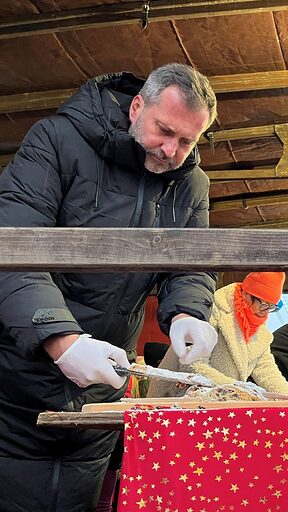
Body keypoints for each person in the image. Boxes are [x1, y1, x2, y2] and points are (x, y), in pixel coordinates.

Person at [0, 63, 219, 511]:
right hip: (16, 383)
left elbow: (190, 265)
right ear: (137, 105)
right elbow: (11, 247)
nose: (170, 150)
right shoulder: (57, 141)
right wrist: (62, 341)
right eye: (164, 131)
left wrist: (187, 313)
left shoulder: (192, 184)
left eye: (187, 141)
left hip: (102, 392)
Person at [148, 272, 288, 398]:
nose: (265, 312)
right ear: (246, 294)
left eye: (272, 307)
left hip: (217, 402)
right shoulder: (210, 309)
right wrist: (238, 388)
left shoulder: (259, 331)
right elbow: (193, 365)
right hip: (176, 397)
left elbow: (267, 372)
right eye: (263, 304)